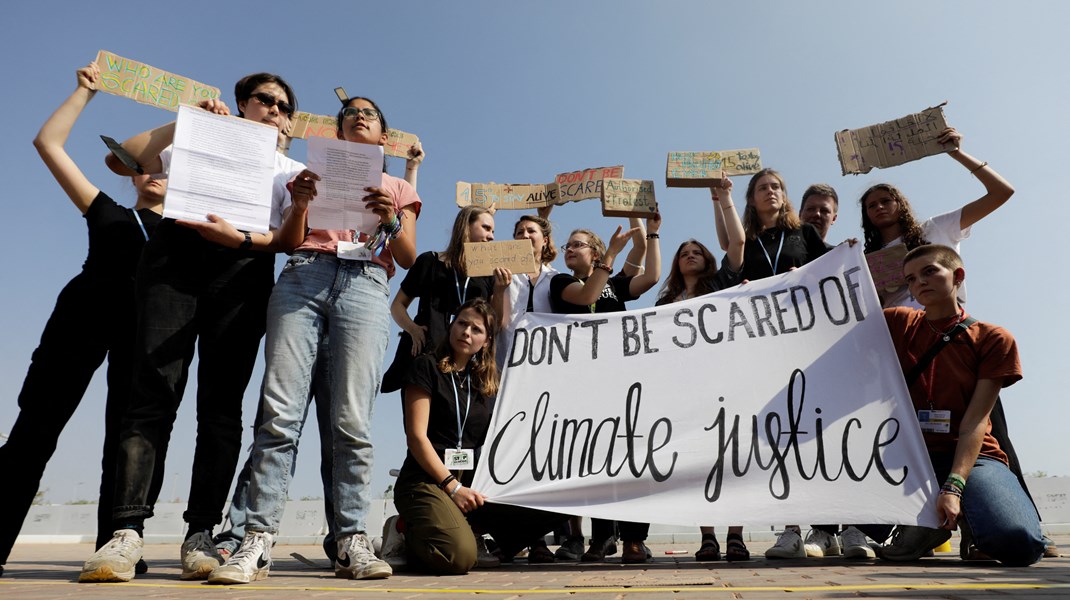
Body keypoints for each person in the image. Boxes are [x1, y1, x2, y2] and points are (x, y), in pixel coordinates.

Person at [80, 72, 310, 583]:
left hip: (242, 273)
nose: (274, 110)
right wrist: (183, 121)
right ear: (242, 104)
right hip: (173, 263)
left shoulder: (291, 169)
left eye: (283, 106)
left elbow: (287, 241)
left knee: (222, 410)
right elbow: (123, 161)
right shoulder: (198, 136)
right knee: (152, 395)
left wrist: (244, 238)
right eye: (264, 100)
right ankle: (126, 532)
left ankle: (200, 533)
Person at [205, 94, 421, 584]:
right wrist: (300, 204)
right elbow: (287, 238)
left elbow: (407, 256)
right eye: (350, 114)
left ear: (383, 138)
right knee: (279, 413)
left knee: (352, 420)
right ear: (336, 132)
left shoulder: (397, 187)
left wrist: (389, 217)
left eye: (369, 114)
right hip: (303, 273)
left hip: (366, 283)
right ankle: (255, 539)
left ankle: (350, 539)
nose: (359, 117)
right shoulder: (305, 173)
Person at [0, 62, 165, 578]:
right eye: (146, 166)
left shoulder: (189, 235)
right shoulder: (108, 211)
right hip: (79, 322)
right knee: (34, 432)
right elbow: (49, 144)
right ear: (133, 173)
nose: (155, 172)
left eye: (168, 167)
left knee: (127, 442)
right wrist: (83, 93)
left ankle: (112, 552)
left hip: (144, 335)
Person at [877, 245, 1044, 566]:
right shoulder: (898, 321)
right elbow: (835, 321)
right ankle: (932, 524)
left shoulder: (993, 338)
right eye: (911, 279)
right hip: (911, 458)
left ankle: (966, 520)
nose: (919, 283)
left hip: (974, 456)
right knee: (850, 508)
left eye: (930, 272)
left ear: (958, 276)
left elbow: (975, 423)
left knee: (1020, 544)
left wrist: (954, 486)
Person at [392, 299, 567, 574]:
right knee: (459, 558)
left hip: (473, 481)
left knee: (559, 502)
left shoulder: (486, 382)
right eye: (462, 323)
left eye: (476, 329)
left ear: (486, 341)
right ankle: (404, 533)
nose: (466, 332)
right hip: (427, 480)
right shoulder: (425, 367)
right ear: (452, 327)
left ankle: (469, 529)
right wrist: (452, 487)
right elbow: (416, 438)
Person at [548, 215, 662, 564]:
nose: (569, 250)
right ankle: (600, 538)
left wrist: (651, 231)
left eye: (577, 244)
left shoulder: (614, 284)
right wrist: (612, 255)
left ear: (594, 252)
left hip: (622, 381)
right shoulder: (560, 282)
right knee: (596, 460)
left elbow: (651, 277)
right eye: (567, 245)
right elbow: (586, 297)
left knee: (631, 457)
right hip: (584, 384)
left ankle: (633, 540)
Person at [654, 176, 748, 562]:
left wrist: (721, 199)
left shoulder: (722, 282)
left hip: (727, 382)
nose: (690, 254)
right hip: (685, 391)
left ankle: (736, 536)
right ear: (676, 262)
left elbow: (738, 243)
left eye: (697, 250)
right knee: (698, 462)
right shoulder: (665, 300)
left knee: (735, 460)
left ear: (707, 258)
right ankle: (708, 536)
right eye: (683, 251)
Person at [860, 128, 1013, 308]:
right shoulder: (863, 260)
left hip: (944, 328)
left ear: (900, 205)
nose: (879, 207)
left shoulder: (935, 229)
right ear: (866, 215)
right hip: (896, 333)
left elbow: (1001, 192)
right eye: (872, 205)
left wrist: (958, 154)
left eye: (886, 201)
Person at [382, 205, 497, 398]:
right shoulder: (429, 261)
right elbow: (397, 305)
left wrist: (501, 288)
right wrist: (413, 329)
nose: (492, 236)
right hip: (428, 356)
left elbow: (495, 320)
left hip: (466, 364)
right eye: (486, 228)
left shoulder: (488, 274)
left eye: (493, 231)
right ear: (466, 227)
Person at [732, 168, 828, 283]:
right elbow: (731, 278)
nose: (770, 191)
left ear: (783, 197)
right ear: (752, 200)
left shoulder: (805, 231)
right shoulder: (746, 242)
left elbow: (828, 268)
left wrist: (849, 247)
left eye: (775, 187)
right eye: (763, 188)